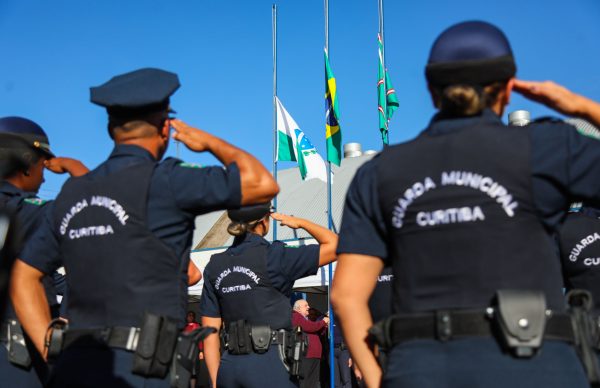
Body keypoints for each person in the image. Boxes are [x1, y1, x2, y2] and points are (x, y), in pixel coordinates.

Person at [331, 20, 600, 388]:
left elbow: (346, 295)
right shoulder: (546, 148)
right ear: (507, 88)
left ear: (431, 91)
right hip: (535, 366)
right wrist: (581, 107)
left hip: (420, 371)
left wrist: (379, 380)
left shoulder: (379, 172)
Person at [10, 67, 279, 387]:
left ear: (111, 128)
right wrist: (209, 142)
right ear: (165, 126)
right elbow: (262, 184)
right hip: (142, 370)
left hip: (74, 366)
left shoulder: (72, 193)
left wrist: (50, 352)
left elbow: (24, 276)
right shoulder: (166, 181)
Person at [200, 204, 338, 388]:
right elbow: (336, 245)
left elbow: (210, 332)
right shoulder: (276, 256)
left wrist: (216, 381)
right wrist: (300, 222)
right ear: (263, 221)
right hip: (270, 363)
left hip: (230, 366)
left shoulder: (214, 265)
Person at [0, 117, 89, 387]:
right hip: (18, 358)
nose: (44, 175)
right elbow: (97, 209)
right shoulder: (31, 211)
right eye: (42, 164)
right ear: (27, 163)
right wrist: (75, 168)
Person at [292, 299, 329, 388]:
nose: (308, 307)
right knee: (306, 380)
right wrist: (323, 322)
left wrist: (324, 326)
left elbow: (315, 331)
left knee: (313, 381)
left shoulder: (305, 318)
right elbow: (310, 327)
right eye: (306, 305)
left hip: (313, 354)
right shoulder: (296, 316)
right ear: (298, 309)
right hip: (306, 354)